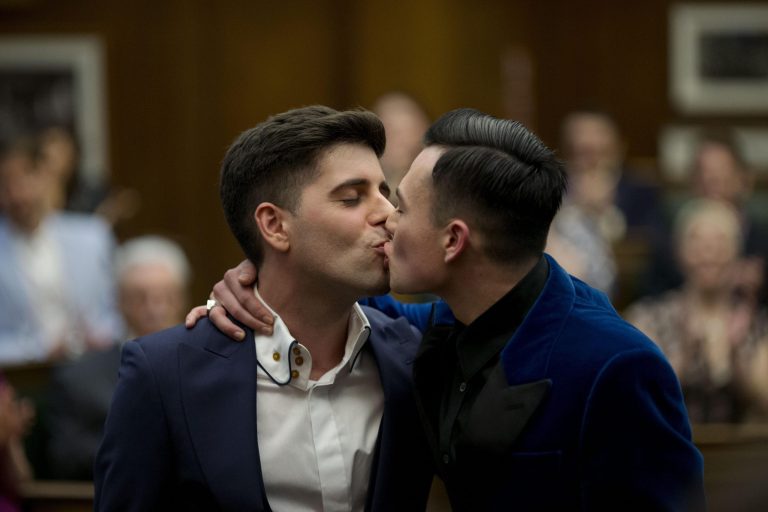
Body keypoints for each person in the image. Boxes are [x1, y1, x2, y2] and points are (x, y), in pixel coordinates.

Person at [196, 108, 705, 511]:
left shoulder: (616, 366)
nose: (388, 220)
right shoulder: (447, 319)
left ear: (453, 241)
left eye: (403, 206)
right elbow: (346, 300)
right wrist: (259, 275)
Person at [94, 106, 433, 511]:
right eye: (351, 198)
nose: (388, 215)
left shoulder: (412, 357)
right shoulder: (164, 375)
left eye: (385, 193)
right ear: (274, 225)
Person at [46, 235, 191, 480]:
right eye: (140, 297)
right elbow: (67, 455)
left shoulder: (211, 364)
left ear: (183, 299)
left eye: (165, 296)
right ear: (119, 302)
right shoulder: (80, 378)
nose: (155, 308)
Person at [625, 199, 768, 423]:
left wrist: (738, 361)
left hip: (743, 455)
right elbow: (634, 401)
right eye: (697, 240)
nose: (708, 251)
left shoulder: (758, 324)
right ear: (679, 251)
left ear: (738, 253)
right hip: (668, 452)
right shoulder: (648, 317)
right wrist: (682, 359)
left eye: (720, 241)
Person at [0, 134, 121, 364]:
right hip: (25, 376)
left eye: (26, 178)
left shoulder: (92, 236)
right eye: (6, 184)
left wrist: (100, 336)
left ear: (45, 176)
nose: (18, 194)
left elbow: (118, 312)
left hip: (94, 367)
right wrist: (40, 347)